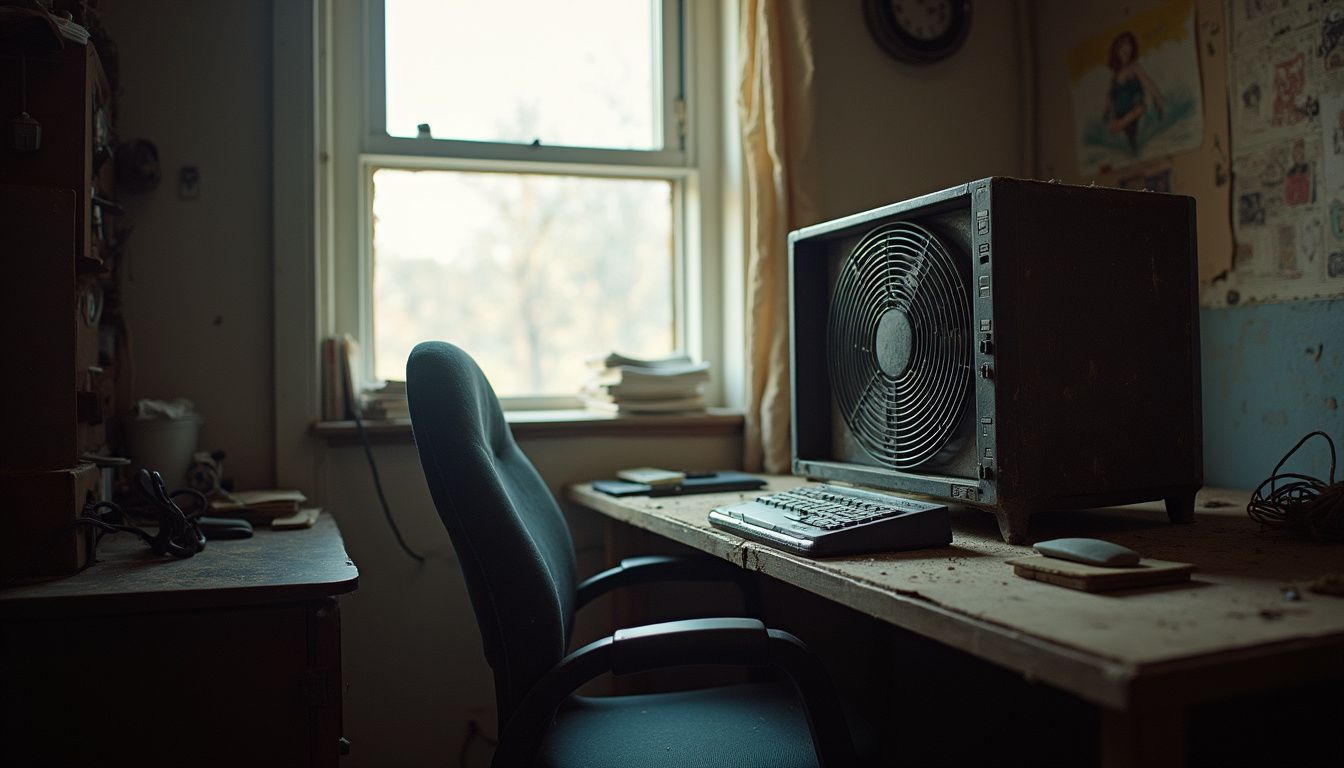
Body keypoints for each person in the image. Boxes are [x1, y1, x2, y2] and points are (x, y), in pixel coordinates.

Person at [1102, 31, 1165, 153]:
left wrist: (1158, 99)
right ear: (1116, 51)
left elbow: (1148, 83)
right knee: (1130, 142)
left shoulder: (1134, 68)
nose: (1126, 50)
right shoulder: (1114, 76)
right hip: (1120, 113)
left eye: (1129, 46)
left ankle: (1121, 124)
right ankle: (1121, 127)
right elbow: (1109, 96)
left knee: (1139, 109)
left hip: (1134, 109)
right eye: (1122, 47)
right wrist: (1106, 111)